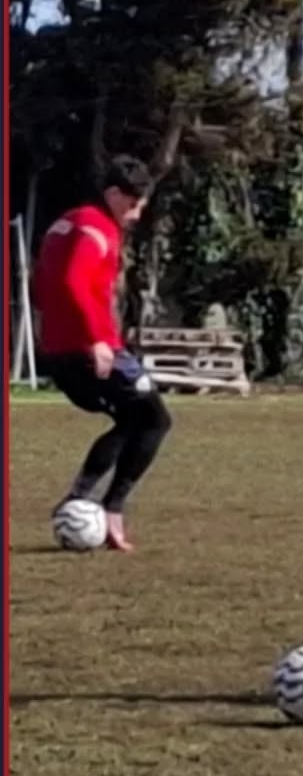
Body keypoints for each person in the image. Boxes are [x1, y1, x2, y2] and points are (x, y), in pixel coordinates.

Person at [33, 154, 172, 553]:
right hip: (87, 347)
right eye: (133, 203)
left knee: (132, 420)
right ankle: (110, 508)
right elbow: (73, 282)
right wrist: (96, 338)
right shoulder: (95, 228)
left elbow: (42, 284)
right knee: (155, 420)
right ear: (113, 194)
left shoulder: (66, 222)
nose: (137, 213)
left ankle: (80, 499)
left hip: (59, 348)